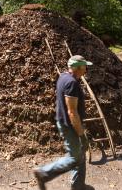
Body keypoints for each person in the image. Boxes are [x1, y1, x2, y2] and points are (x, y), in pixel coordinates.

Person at [33, 55, 93, 190]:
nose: (86, 69)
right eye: (84, 66)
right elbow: (72, 112)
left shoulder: (63, 77)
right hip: (70, 125)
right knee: (74, 158)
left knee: (79, 154)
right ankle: (44, 173)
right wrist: (82, 135)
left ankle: (78, 185)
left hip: (66, 122)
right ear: (78, 68)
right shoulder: (72, 83)